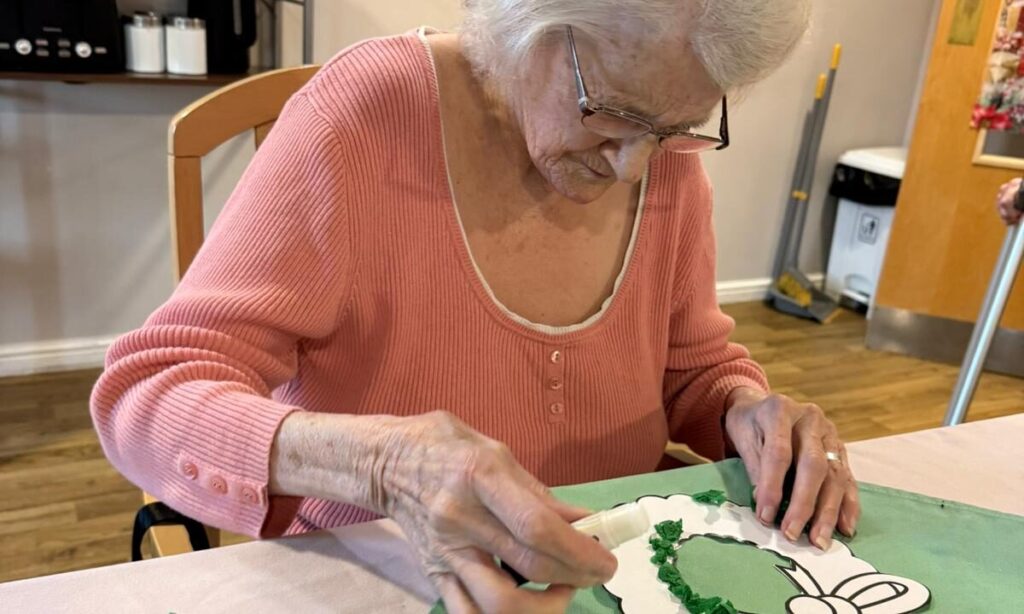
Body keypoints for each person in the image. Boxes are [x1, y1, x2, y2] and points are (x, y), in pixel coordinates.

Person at [91, 1, 859, 611]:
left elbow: (691, 367)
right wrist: (385, 465)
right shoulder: (365, 116)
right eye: (613, 113)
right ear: (523, 22)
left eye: (677, 128)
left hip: (625, 576)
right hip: (387, 578)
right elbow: (149, 395)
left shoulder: (660, 160)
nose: (634, 167)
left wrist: (747, 410)